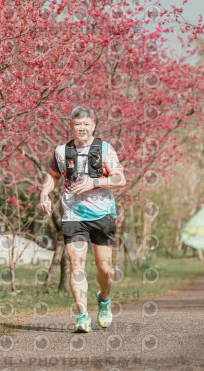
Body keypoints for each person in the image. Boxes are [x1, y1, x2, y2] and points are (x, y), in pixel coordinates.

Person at [39, 106, 126, 332]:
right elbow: (53, 175)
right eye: (78, 125)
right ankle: (82, 316)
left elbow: (120, 178)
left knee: (105, 270)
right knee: (76, 264)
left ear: (93, 126)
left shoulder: (105, 149)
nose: (82, 128)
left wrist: (95, 182)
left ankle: (104, 300)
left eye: (86, 124)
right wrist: (44, 193)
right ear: (71, 126)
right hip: (73, 215)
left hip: (102, 214)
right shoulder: (62, 151)